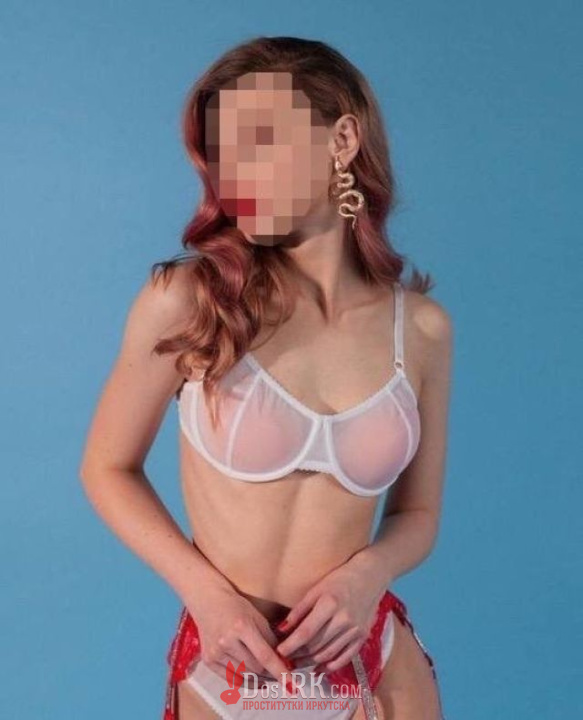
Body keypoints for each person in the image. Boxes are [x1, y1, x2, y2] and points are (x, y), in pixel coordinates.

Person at [80, 36, 453, 720]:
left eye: (261, 140)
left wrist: (368, 575)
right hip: (230, 665)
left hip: (372, 663)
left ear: (342, 139)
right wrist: (205, 594)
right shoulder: (192, 301)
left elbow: (417, 515)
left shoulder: (420, 330)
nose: (236, 174)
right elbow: (107, 468)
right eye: (222, 152)